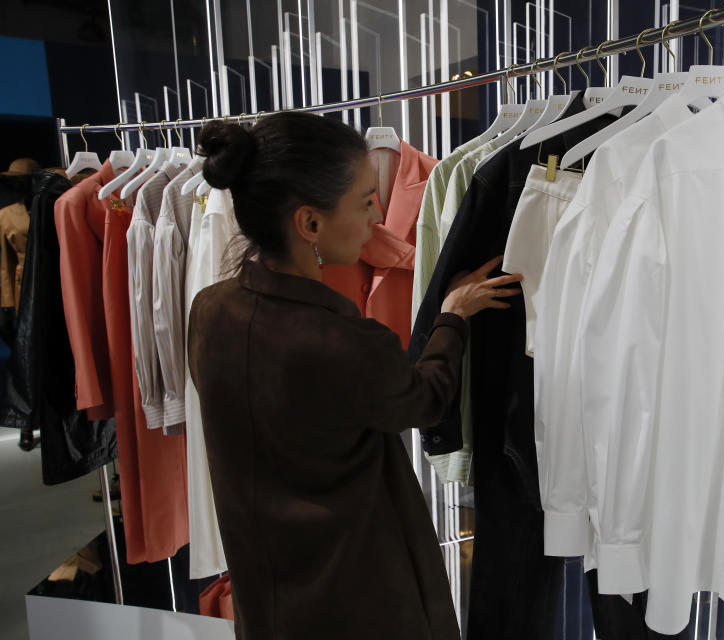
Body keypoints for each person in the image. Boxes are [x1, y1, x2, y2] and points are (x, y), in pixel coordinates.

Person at [188, 111, 521, 639]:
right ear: (310, 223)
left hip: (266, 578)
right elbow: (424, 398)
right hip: (355, 583)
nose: (377, 215)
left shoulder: (210, 309)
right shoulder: (334, 338)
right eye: (366, 201)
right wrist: (452, 315)